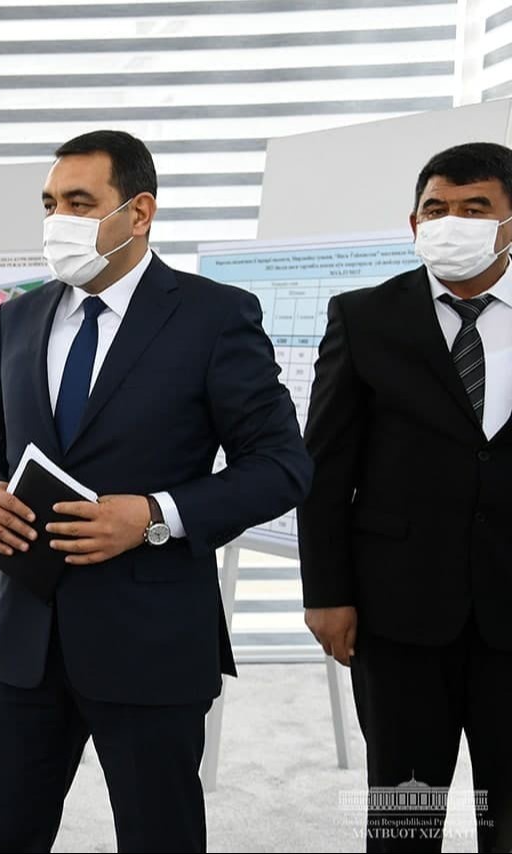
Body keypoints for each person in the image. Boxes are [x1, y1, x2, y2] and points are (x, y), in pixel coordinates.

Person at [0, 129, 312, 853]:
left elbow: (281, 465)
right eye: (50, 204)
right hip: (26, 641)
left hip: (152, 641)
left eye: (80, 203)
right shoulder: (18, 317)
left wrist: (155, 515)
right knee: (1, 836)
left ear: (139, 212)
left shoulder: (215, 317)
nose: (59, 220)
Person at [298, 142, 512, 853]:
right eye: (436, 208)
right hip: (398, 613)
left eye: (474, 208)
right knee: (403, 818)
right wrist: (326, 593)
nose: (451, 222)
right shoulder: (364, 317)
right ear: (414, 222)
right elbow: (325, 467)